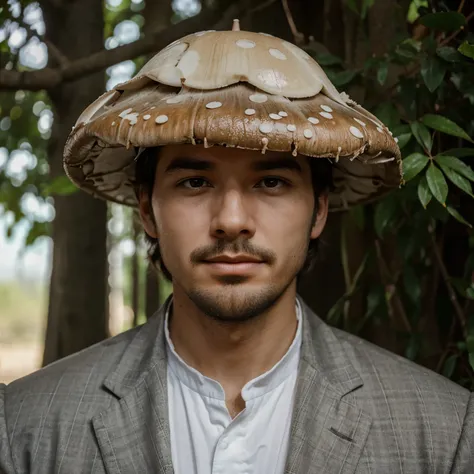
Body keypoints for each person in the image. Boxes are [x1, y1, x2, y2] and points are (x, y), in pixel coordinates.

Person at [1, 20, 472, 474]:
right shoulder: (23, 426)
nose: (231, 222)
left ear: (320, 211)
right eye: (194, 182)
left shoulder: (446, 431)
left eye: (270, 182)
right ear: (147, 210)